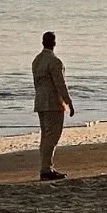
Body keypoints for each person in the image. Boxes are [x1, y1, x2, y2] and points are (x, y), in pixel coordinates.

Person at [32, 30, 74, 181]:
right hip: (53, 103)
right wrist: (68, 102)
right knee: (52, 136)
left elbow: (36, 83)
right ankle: (46, 168)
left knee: (45, 136)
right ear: (54, 43)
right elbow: (60, 84)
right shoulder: (55, 61)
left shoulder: (36, 60)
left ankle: (46, 167)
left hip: (40, 102)